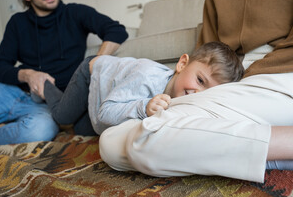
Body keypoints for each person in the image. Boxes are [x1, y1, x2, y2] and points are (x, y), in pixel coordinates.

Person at [98, 0, 293, 183]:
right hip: (230, 82)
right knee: (111, 142)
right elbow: (209, 48)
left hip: (279, 72)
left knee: (144, 136)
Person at [0, 0, 128, 145]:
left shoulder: (76, 12)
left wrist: (94, 63)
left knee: (40, 130)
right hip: (12, 92)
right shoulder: (17, 22)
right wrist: (28, 75)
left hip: (47, 105)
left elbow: (116, 30)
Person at [42, 41, 244, 135]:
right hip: (92, 73)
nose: (197, 93)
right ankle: (45, 86)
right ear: (182, 64)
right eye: (200, 80)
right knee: (62, 117)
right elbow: (105, 112)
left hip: (105, 95)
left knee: (82, 130)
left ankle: (79, 110)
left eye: (208, 92)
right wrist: (144, 107)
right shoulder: (147, 77)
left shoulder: (184, 102)